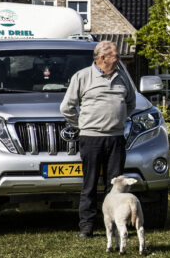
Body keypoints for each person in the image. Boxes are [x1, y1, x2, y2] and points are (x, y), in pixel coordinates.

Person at [60, 41, 136, 238]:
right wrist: (83, 124)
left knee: (116, 185)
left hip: (116, 138)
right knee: (90, 184)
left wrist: (118, 120)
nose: (119, 59)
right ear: (102, 58)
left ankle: (118, 225)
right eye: (116, 56)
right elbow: (66, 107)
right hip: (91, 138)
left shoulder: (122, 76)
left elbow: (131, 102)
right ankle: (87, 227)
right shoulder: (83, 76)